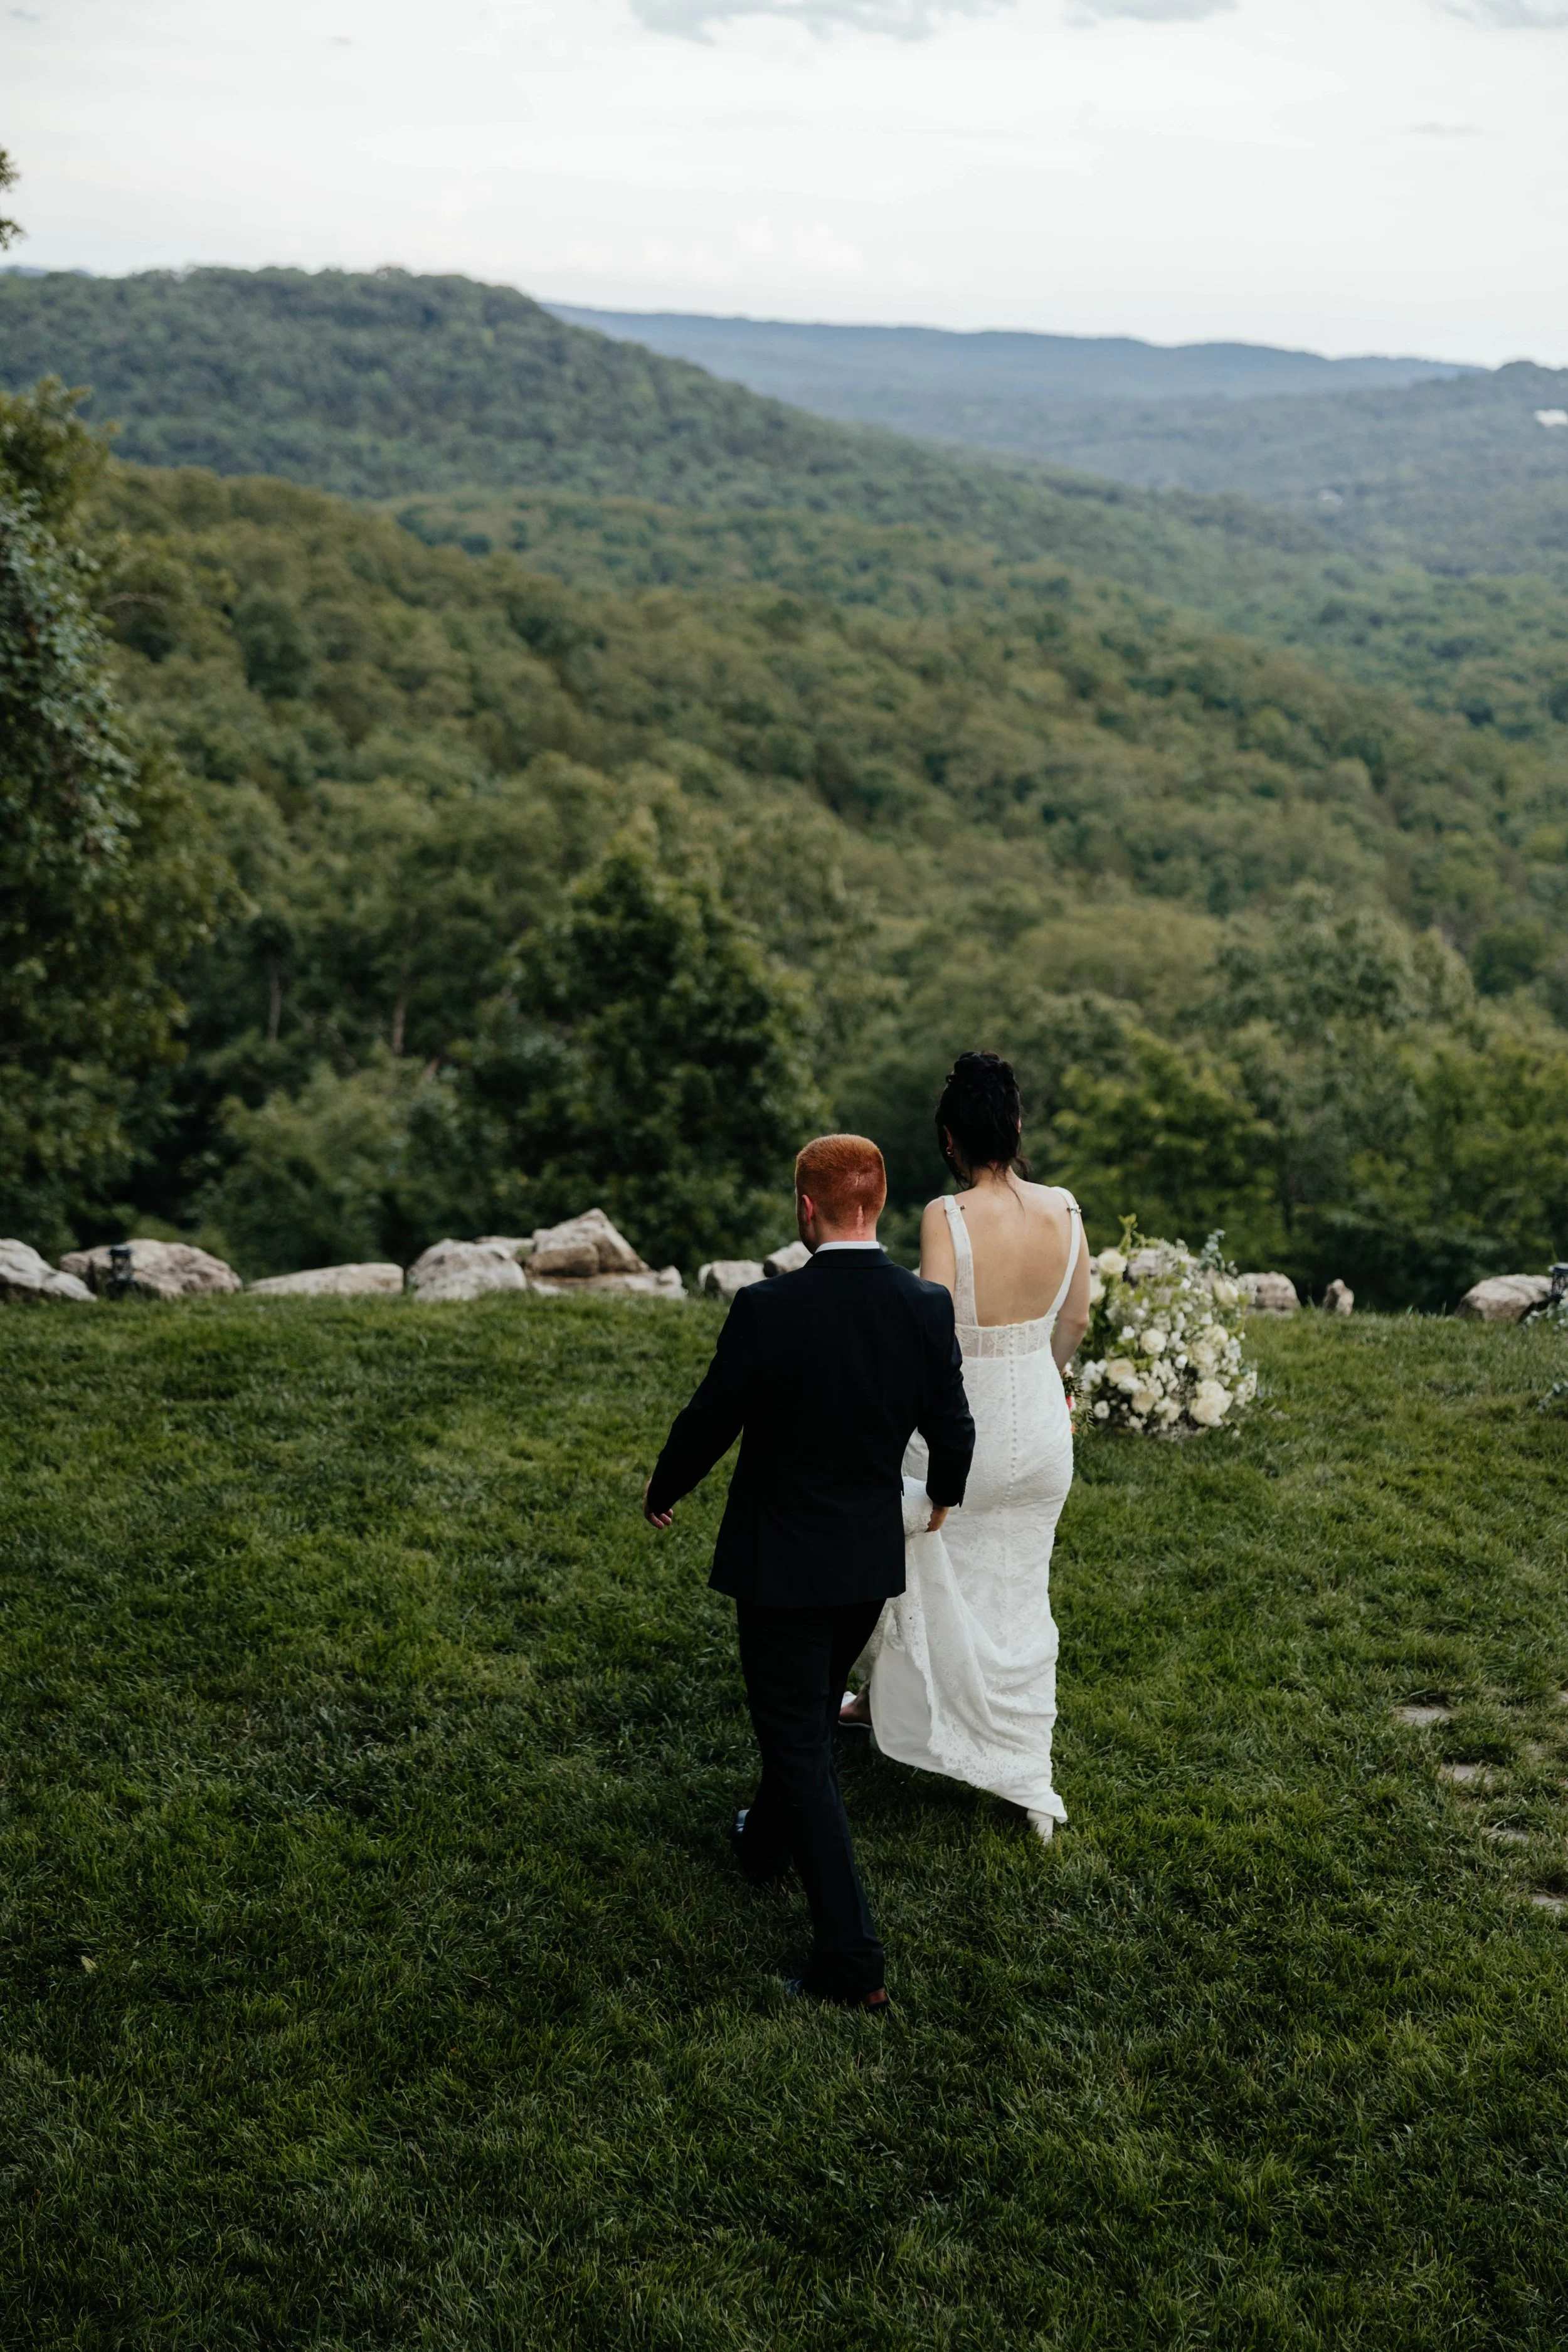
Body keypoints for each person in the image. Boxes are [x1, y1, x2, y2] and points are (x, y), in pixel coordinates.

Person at [643, 1133, 975, 2011]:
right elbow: (955, 1424)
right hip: (866, 1563)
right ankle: (762, 1844)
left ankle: (852, 1959)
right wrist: (941, 1493)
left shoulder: (768, 1307)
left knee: (798, 1738)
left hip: (782, 1564)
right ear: (880, 1203)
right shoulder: (923, 1306)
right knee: (802, 1717)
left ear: (805, 1209)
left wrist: (664, 1486)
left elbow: (712, 1415)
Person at [842, 1052, 1090, 1844]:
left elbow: (932, 1334)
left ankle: (902, 1710)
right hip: (1042, 1424)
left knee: (921, 1557)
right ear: (1016, 1127)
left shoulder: (946, 1218)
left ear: (950, 1139)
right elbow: (1076, 1322)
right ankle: (1024, 1770)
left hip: (964, 1424)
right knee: (1022, 1587)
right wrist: (1043, 1384)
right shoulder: (1067, 1209)